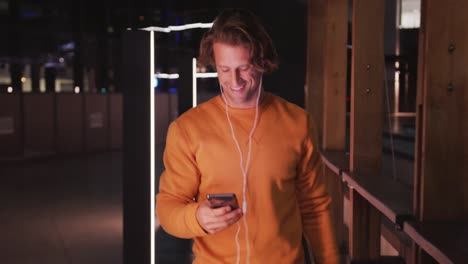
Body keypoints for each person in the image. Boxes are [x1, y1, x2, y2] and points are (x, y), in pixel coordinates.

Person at [156, 8, 339, 264]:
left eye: (244, 68)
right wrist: (196, 217)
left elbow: (315, 208)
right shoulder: (187, 129)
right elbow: (167, 208)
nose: (235, 81)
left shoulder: (298, 123)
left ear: (262, 61)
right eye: (224, 69)